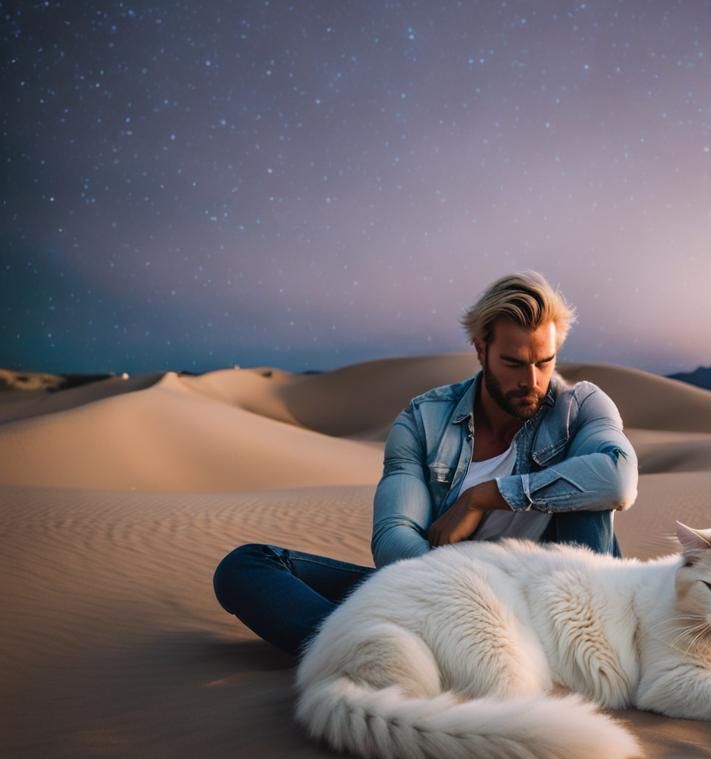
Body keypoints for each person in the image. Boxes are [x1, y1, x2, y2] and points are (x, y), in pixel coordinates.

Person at [213, 271, 638, 656]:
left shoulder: (580, 407)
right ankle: (371, 652)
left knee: (590, 492)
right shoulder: (425, 421)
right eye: (513, 363)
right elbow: (394, 537)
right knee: (247, 565)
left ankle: (378, 652)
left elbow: (617, 481)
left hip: (558, 613)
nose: (532, 381)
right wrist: (466, 601)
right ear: (481, 350)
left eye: (543, 362)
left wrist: (484, 497)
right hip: (444, 599)